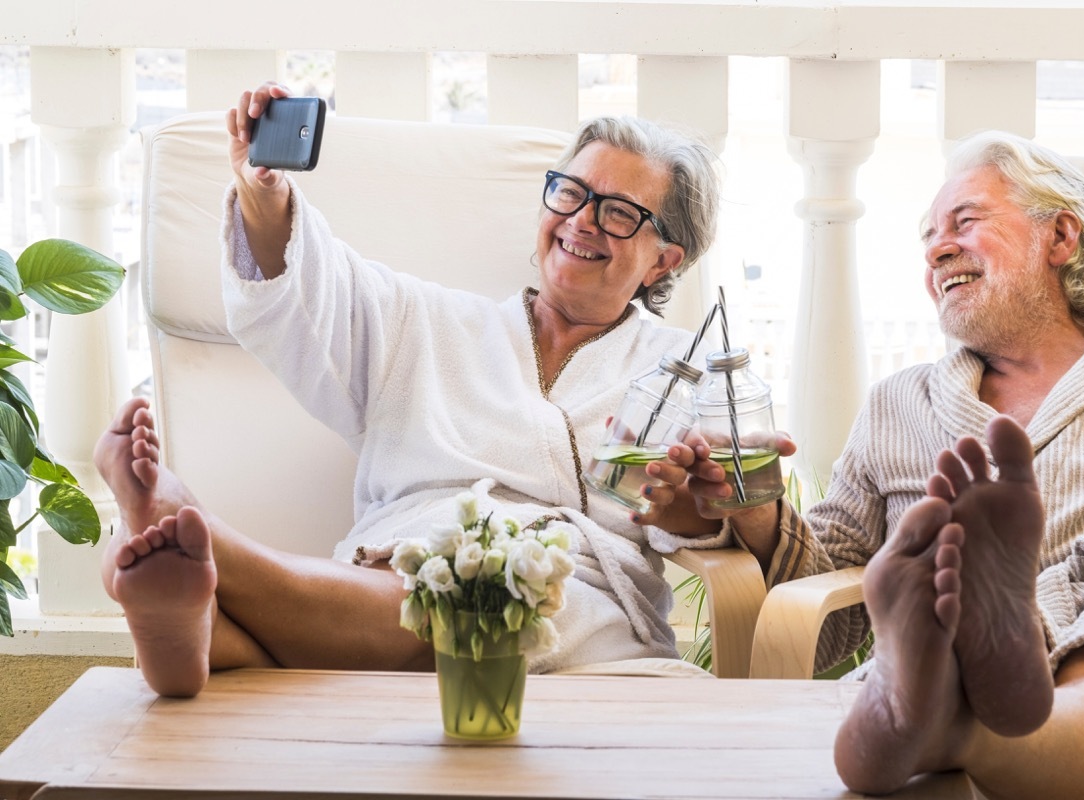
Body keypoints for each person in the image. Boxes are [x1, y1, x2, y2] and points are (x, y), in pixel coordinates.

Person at [94, 82, 796, 698]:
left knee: (483, 596)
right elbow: (312, 290)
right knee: (447, 586)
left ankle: (202, 566)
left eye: (617, 213)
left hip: (568, 610)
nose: (582, 220)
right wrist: (262, 187)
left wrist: (695, 511)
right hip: (395, 573)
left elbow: (736, 518)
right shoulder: (428, 323)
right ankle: (199, 625)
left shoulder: (690, 370)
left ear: (663, 259)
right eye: (571, 193)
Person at [643, 131, 1084, 800]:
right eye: (929, 238)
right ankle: (945, 677)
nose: (937, 250)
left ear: (1060, 239)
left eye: (966, 222)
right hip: (937, 642)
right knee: (933, 625)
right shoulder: (897, 405)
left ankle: (947, 722)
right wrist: (755, 512)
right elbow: (828, 602)